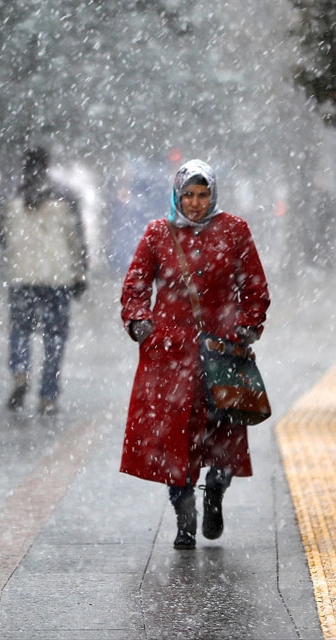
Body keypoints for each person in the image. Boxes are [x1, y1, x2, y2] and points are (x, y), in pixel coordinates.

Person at [119, 159, 270, 549]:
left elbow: (254, 284)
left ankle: (216, 491)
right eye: (188, 194)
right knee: (175, 440)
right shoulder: (158, 234)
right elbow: (135, 285)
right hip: (169, 356)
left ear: (213, 195)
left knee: (223, 434)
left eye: (203, 195)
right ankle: (184, 516)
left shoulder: (234, 231)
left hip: (221, 351)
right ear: (177, 194)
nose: (196, 203)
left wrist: (248, 325)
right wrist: (140, 322)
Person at [0, 147, 88, 415]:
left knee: (21, 328)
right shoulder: (66, 197)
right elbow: (76, 240)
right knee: (55, 336)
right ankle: (48, 395)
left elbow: (3, 237)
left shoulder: (10, 196)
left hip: (22, 275)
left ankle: (20, 371)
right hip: (57, 277)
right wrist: (80, 273)